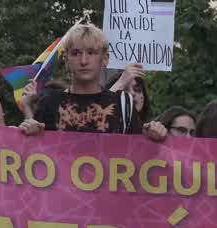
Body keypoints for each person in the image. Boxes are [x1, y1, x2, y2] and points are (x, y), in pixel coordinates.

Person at [18, 24, 167, 141]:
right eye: (76, 53)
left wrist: (153, 137)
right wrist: (29, 128)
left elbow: (137, 155)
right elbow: (35, 155)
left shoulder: (123, 104)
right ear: (66, 60)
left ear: (105, 59)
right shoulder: (49, 102)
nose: (84, 61)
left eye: (91, 52)